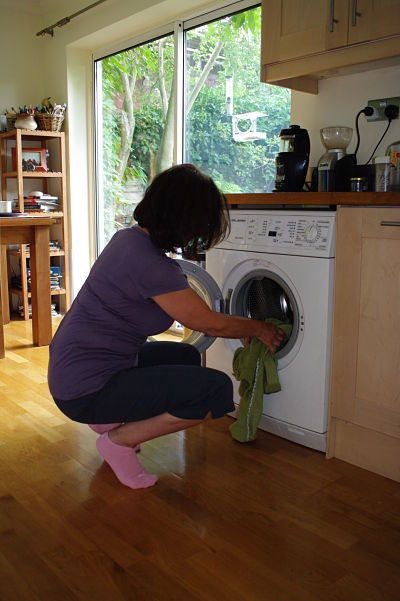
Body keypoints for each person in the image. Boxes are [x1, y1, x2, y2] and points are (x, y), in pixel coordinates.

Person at [48, 164, 285, 490]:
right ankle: (118, 439)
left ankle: (106, 419)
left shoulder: (128, 239)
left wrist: (241, 326)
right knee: (214, 389)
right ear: (184, 222)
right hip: (86, 388)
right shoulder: (153, 266)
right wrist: (257, 327)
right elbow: (209, 323)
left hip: (73, 368)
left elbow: (203, 321)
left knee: (186, 357)